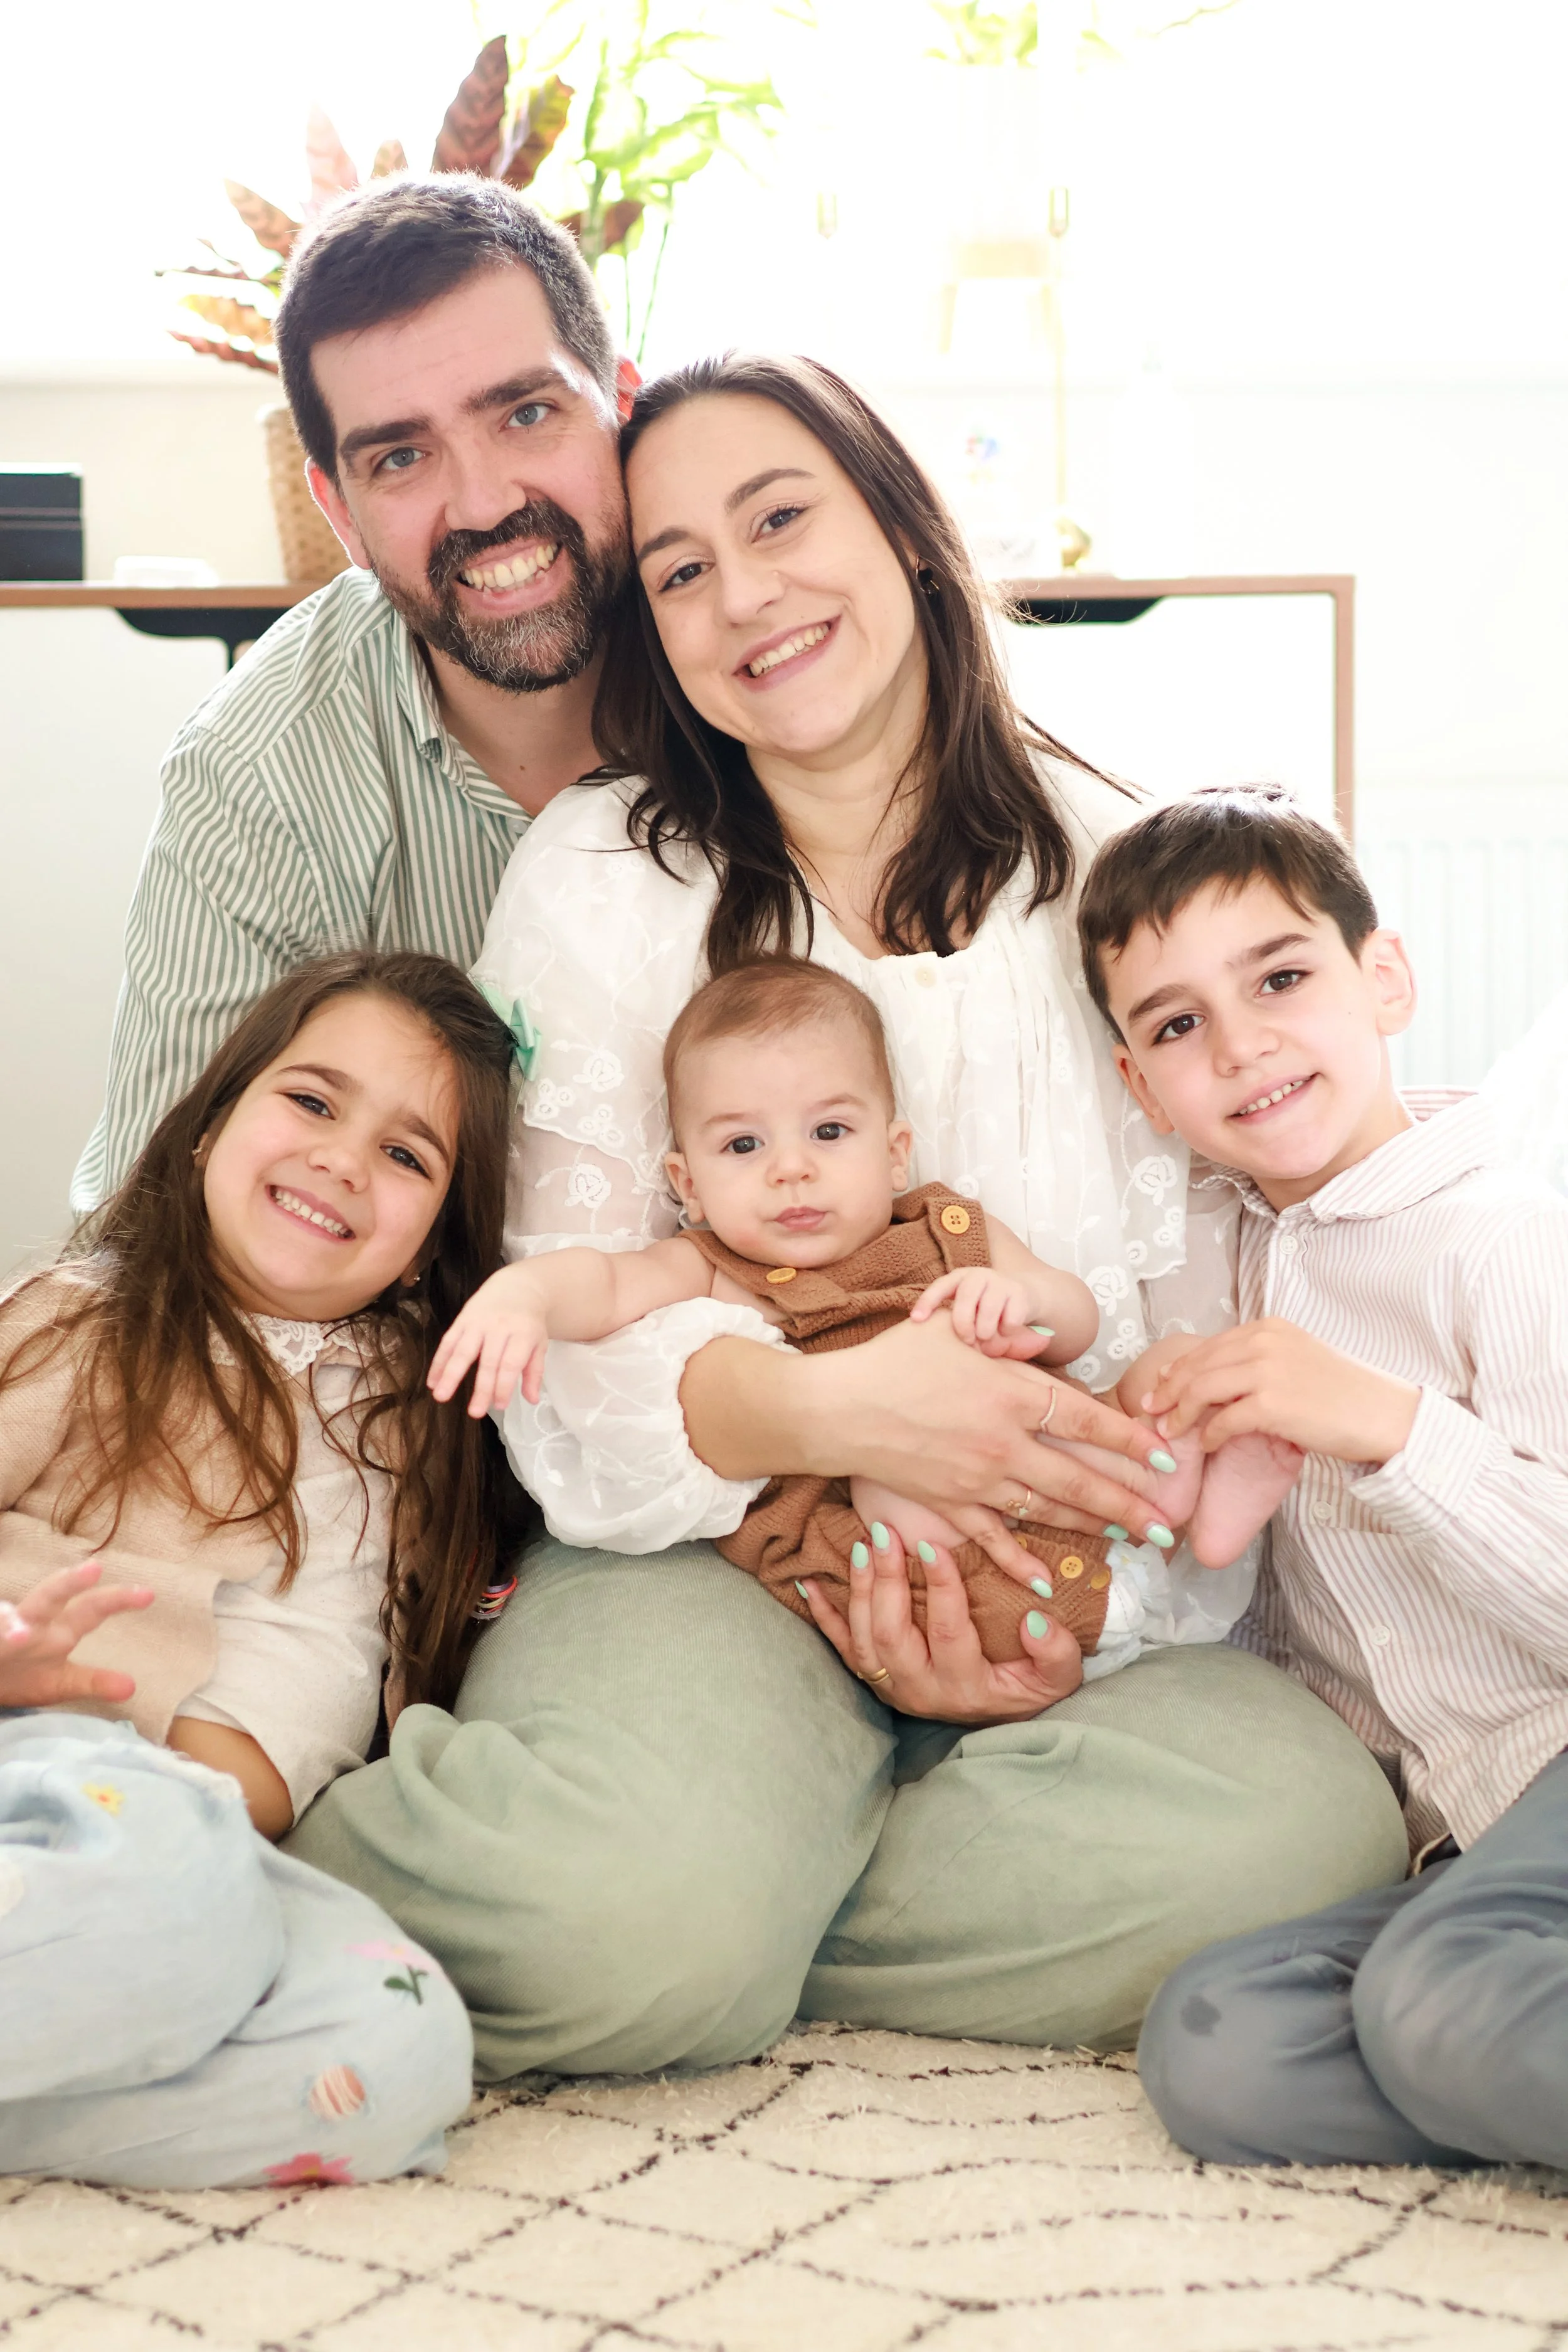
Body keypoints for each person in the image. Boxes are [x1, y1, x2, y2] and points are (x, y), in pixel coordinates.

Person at [288, 353, 1407, 2078]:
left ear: (899, 523)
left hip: (1056, 1587)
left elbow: (1206, 1338)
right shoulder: (602, 878)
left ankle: (722, 1908)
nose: (743, 595)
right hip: (712, 1555)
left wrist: (1048, 1629)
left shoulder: (1118, 869)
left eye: (780, 517)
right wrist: (825, 1406)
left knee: (1304, 1831)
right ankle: (659, 1891)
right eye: (676, 570)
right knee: (630, 1910)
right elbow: (555, 1325)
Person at [1067, 786, 1568, 2173]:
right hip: (1455, 1839)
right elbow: (1223, 1591)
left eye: (1279, 978)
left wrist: (1386, 1428)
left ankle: (1463, 2027)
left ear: (1383, 979)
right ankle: (1481, 2058)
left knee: (1439, 1996)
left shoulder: (1500, 1239)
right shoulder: (1209, 1268)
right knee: (1217, 2044)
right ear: (1137, 1084)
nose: (1239, 1045)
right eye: (1175, 1024)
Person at [0, 949, 516, 2185]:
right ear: (205, 1129)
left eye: (407, 1155)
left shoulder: (429, 1401)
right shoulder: (88, 1314)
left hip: (233, 1864)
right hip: (56, 1773)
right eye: (313, 1101)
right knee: (166, 1887)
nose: (344, 1157)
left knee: (398, 2044)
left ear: (431, 1244)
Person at [432, 955, 1300, 1673]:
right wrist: (527, 1294)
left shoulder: (946, 1226)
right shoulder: (712, 1267)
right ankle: (1129, 1547)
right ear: (687, 1183)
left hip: (1060, 1493)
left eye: (829, 1132)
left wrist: (1021, 1302)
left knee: (1165, 1370)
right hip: (915, 1566)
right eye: (744, 1144)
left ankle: (1195, 1507)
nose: (791, 1170)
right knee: (890, 1470)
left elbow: (1073, 1320)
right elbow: (608, 1285)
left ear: (894, 1153)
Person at [72, 174, 635, 1215]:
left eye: (525, 411)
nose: (485, 501)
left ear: (622, 404)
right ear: (338, 508)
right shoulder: (258, 768)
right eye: (403, 455)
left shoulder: (758, 649)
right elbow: (155, 1220)